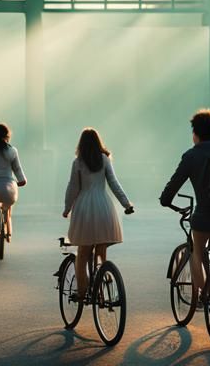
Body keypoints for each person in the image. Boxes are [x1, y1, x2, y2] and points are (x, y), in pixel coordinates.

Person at [159, 108, 210, 303]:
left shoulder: (191, 156)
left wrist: (165, 200)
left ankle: (206, 295)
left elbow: (174, 183)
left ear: (195, 133)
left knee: (197, 252)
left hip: (205, 215)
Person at [62, 127, 134, 296]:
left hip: (84, 207)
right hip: (103, 206)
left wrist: (67, 208)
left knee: (83, 253)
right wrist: (126, 204)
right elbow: (114, 184)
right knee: (101, 248)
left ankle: (82, 292)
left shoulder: (78, 162)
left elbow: (72, 188)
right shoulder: (104, 159)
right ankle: (102, 278)